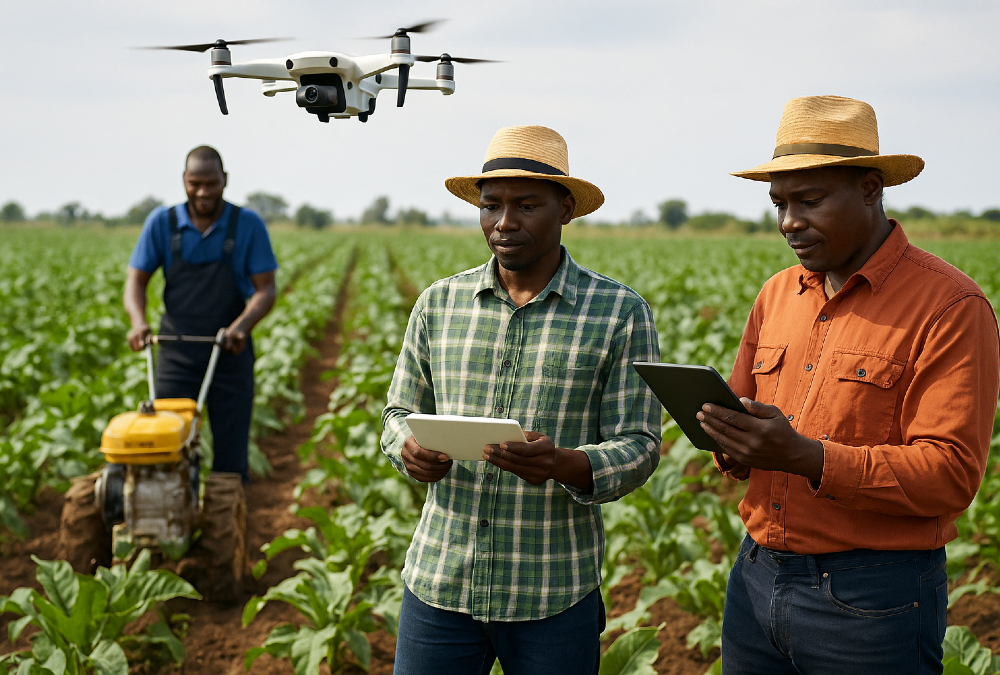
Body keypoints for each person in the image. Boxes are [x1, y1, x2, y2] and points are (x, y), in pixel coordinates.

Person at [697, 95, 1000, 674]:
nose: (789, 222)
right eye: (779, 203)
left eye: (809, 201)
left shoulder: (949, 305)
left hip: (873, 597)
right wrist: (729, 438)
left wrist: (807, 457)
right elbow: (741, 414)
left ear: (870, 188)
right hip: (755, 577)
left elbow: (951, 474)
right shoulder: (777, 293)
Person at [381, 125, 661, 675]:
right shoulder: (438, 304)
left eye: (527, 206)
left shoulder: (619, 313)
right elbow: (396, 413)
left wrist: (563, 463)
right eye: (491, 206)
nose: (504, 222)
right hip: (441, 582)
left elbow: (640, 445)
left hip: (554, 591)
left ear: (565, 209)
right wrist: (407, 448)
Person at [124, 145, 278, 483]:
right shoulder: (163, 223)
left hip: (229, 351)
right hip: (176, 352)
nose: (203, 192)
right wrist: (138, 322)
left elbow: (266, 289)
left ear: (225, 180)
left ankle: (228, 508)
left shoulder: (246, 224)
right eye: (195, 184)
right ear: (184, 180)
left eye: (211, 183)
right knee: (166, 446)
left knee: (230, 457)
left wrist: (241, 327)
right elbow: (136, 280)